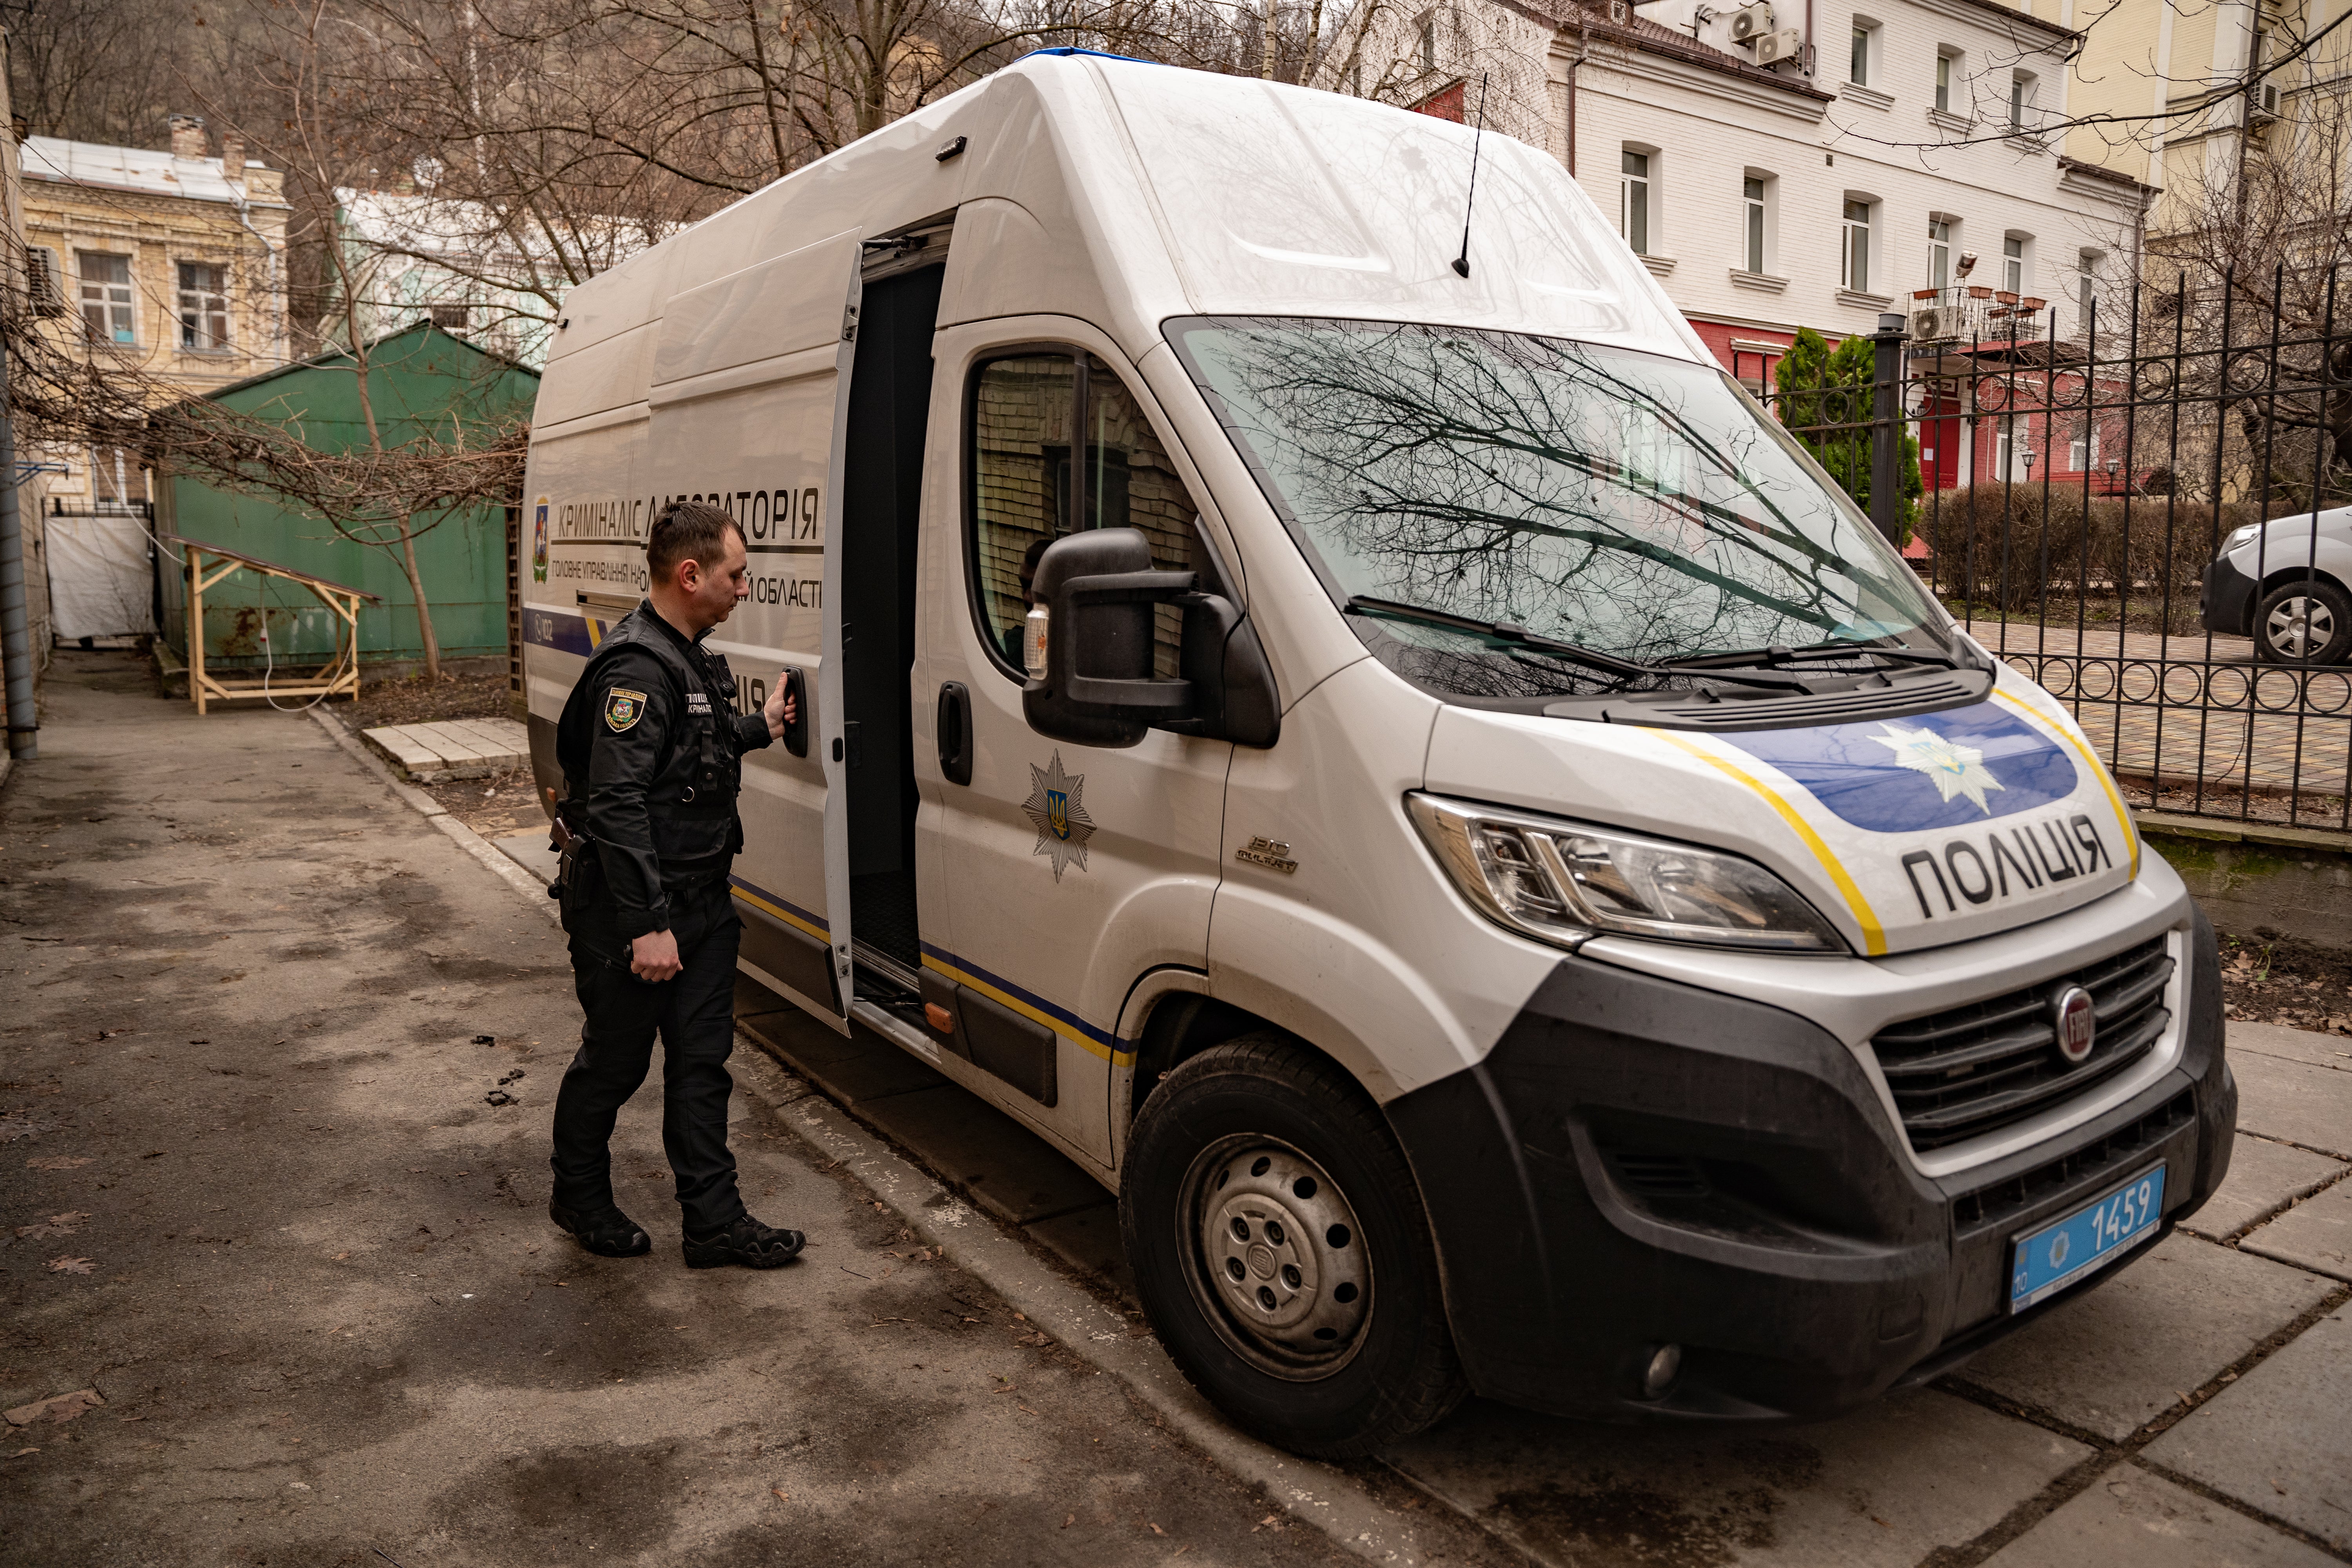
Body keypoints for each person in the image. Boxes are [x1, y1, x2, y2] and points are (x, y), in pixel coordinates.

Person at [546, 501, 805, 1268]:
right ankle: (580, 1193)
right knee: (616, 1063)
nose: (744, 589)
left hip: (702, 903)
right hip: (636, 916)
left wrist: (758, 725)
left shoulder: (685, 653)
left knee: (702, 1065)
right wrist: (646, 925)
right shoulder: (635, 668)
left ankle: (715, 1222)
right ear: (691, 575)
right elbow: (618, 803)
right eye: (737, 574)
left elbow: (692, 753)